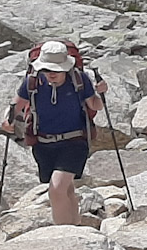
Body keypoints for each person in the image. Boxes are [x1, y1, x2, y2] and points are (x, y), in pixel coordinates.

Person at [7, 41, 108, 227]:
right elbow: (17, 105)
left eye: (56, 70)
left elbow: (95, 105)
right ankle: (76, 226)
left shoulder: (79, 79)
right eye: (46, 69)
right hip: (43, 144)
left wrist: (100, 93)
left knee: (56, 189)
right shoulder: (32, 81)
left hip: (75, 141)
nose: (51, 74)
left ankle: (63, 233)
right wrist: (8, 121)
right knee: (66, 189)